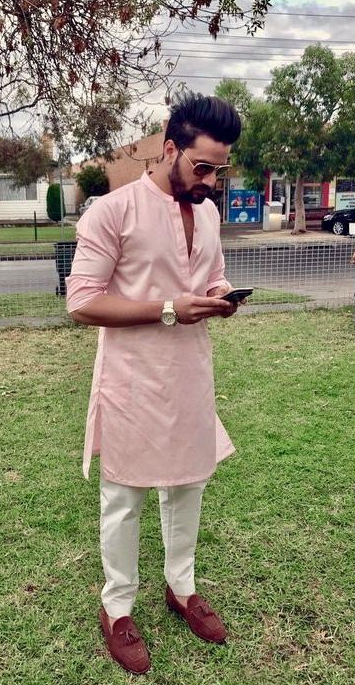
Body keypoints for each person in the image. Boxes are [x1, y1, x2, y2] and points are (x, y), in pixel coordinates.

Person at [65, 93, 245, 674]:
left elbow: (212, 277)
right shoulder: (112, 212)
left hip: (191, 373)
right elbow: (82, 303)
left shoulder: (208, 213)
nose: (211, 181)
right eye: (202, 167)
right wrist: (169, 308)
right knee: (124, 499)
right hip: (132, 379)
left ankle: (181, 588)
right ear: (170, 150)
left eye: (220, 170)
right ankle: (117, 606)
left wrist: (220, 297)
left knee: (189, 485)